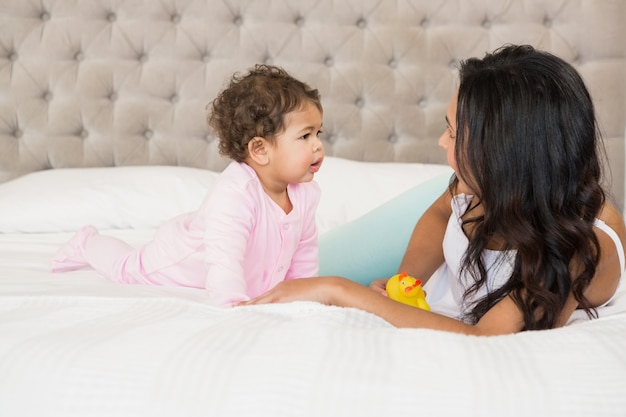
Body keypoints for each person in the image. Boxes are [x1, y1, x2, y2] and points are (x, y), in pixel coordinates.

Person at [241, 45, 626, 335]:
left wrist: (339, 291)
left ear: (507, 158)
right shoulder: (471, 187)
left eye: (454, 133)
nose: (442, 142)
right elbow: (443, 209)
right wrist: (405, 279)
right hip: (438, 213)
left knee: (318, 282)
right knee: (266, 270)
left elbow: (486, 339)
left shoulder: (582, 245)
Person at [51, 64, 325, 307]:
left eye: (317, 133)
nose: (318, 145)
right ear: (260, 150)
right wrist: (233, 302)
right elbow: (224, 259)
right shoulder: (236, 194)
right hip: (180, 258)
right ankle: (88, 242)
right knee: (127, 268)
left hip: (210, 247)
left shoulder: (306, 194)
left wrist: (304, 294)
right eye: (304, 136)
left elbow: (303, 252)